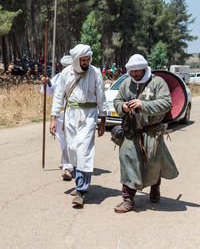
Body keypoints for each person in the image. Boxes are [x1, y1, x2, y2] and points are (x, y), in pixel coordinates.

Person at [113, 54, 179, 213]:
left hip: (152, 131)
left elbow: (166, 103)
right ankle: (128, 199)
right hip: (132, 131)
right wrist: (123, 108)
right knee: (127, 160)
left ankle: (155, 188)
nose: (134, 74)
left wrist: (144, 104)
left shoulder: (157, 82)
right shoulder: (127, 83)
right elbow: (117, 101)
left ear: (144, 69)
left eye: (137, 71)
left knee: (153, 163)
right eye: (132, 71)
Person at [50, 44, 108, 207]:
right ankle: (81, 182)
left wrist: (102, 119)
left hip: (89, 115)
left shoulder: (95, 72)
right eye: (82, 60)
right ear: (76, 60)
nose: (85, 62)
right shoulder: (65, 74)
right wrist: (53, 118)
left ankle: (81, 190)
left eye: (87, 59)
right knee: (73, 150)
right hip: (70, 115)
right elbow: (58, 96)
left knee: (84, 150)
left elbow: (101, 96)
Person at [41, 55, 74, 180]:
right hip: (60, 114)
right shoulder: (59, 77)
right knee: (63, 140)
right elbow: (50, 91)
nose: (65, 69)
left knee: (73, 141)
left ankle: (74, 164)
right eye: (63, 67)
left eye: (68, 67)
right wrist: (47, 83)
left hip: (75, 114)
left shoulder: (79, 77)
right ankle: (67, 166)